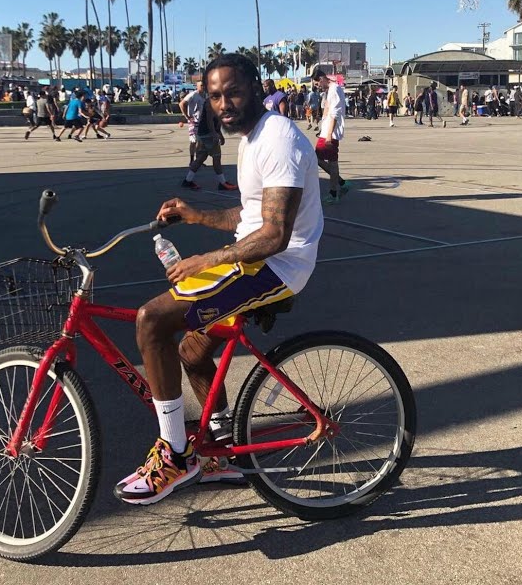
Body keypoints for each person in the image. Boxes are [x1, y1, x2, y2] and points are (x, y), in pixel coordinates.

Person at [114, 53, 322, 504]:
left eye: (233, 93)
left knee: (152, 320)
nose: (224, 104)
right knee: (192, 352)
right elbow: (250, 217)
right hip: (258, 258)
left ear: (256, 88)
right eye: (215, 96)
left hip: (278, 266)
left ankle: (174, 454)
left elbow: (274, 234)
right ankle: (222, 456)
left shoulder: (279, 138)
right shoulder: (252, 139)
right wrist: (197, 216)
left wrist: (204, 261)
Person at [179, 79, 236, 192]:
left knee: (201, 158)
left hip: (203, 133)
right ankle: (222, 183)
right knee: (216, 157)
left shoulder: (216, 102)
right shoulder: (210, 102)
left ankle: (187, 181)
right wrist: (214, 134)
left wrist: (220, 134)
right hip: (207, 134)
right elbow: (210, 120)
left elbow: (217, 120)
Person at [313, 68, 349, 204]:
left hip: (330, 133)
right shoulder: (331, 90)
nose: (318, 87)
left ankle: (336, 190)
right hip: (328, 131)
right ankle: (339, 186)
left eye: (317, 84)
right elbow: (328, 110)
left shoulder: (334, 90)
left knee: (318, 159)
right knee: (332, 162)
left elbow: (335, 113)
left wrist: (328, 134)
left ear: (322, 79)